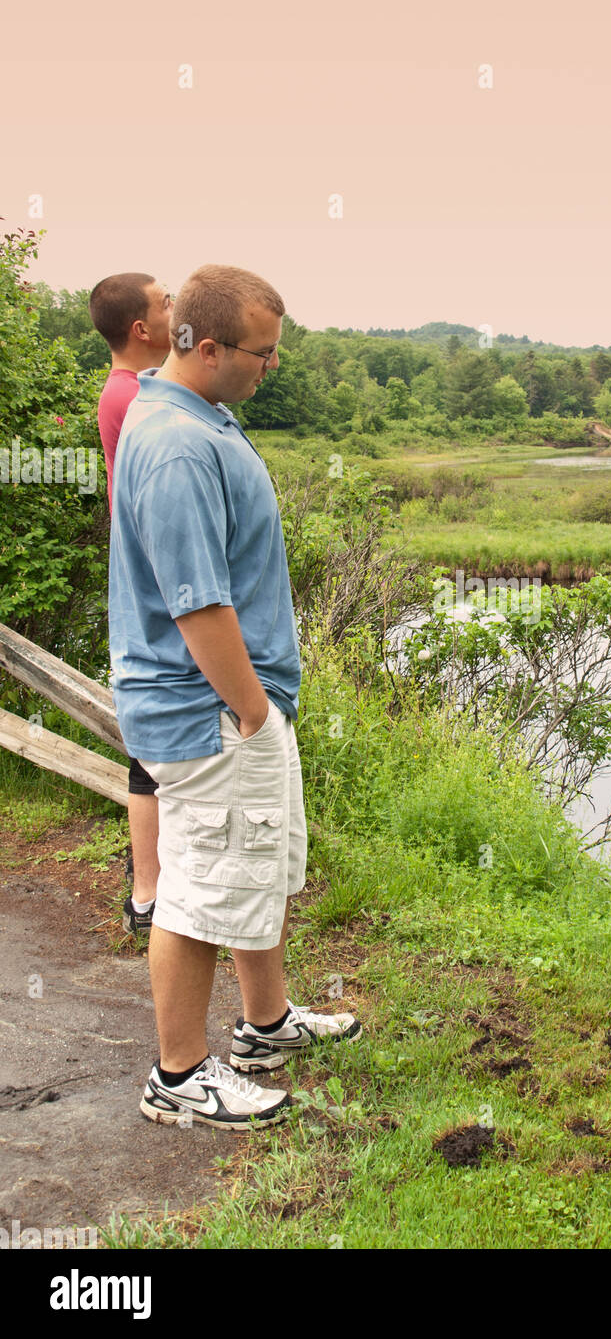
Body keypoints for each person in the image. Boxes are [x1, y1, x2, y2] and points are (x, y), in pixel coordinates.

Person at [108, 264, 362, 1131]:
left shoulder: (194, 410)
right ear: (207, 347)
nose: (273, 367)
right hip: (211, 713)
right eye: (264, 353)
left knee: (253, 870)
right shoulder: (177, 444)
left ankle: (264, 1025)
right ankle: (178, 1076)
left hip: (233, 709)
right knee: (198, 893)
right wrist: (251, 713)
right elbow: (198, 603)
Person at [89, 273, 173, 937]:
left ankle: (154, 884)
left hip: (146, 586)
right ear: (140, 329)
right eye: (166, 303)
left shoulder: (132, 390)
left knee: (156, 749)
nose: (177, 311)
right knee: (148, 753)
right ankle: (147, 892)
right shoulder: (128, 396)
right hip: (152, 590)